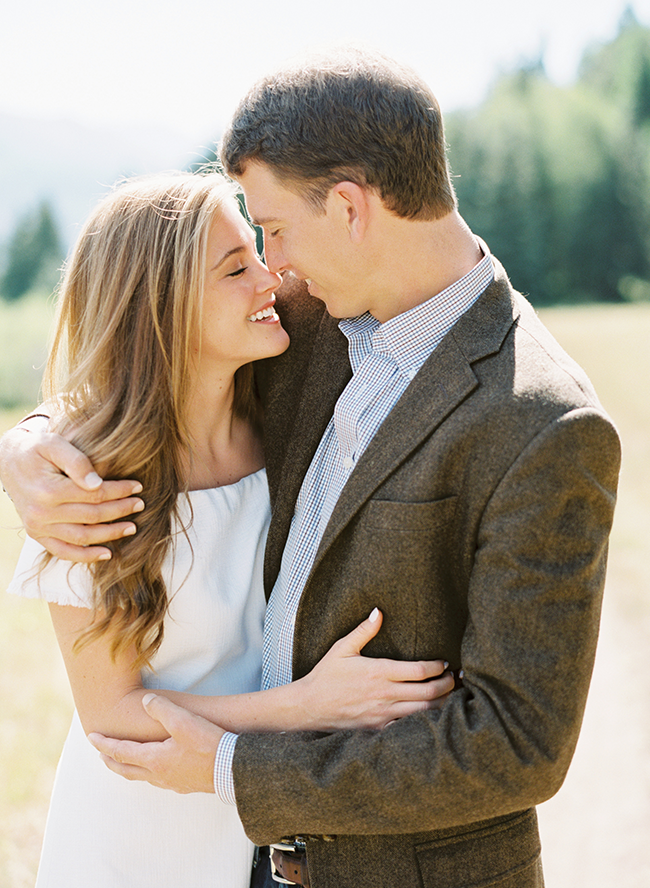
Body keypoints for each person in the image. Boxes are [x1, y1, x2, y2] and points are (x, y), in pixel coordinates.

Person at [0, 48, 621, 888]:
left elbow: (516, 746)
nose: (272, 264)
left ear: (351, 207)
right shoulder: (307, 319)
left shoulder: (545, 423)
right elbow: (146, 356)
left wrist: (234, 768)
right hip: (222, 863)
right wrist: (30, 444)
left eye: (277, 229)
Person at [2, 170, 454, 888]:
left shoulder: (277, 419)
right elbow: (112, 717)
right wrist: (310, 705)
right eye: (236, 267)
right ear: (165, 305)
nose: (271, 277)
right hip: (135, 837)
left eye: (258, 250)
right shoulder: (87, 487)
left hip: (254, 830)